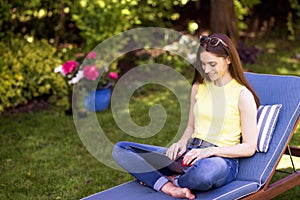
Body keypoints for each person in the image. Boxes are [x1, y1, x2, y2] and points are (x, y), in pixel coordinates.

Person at [112, 33, 260, 199]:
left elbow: (249, 147)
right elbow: (191, 126)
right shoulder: (198, 87)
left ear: (228, 59)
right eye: (203, 64)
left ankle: (173, 181)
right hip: (189, 155)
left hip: (220, 160)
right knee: (121, 149)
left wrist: (209, 152)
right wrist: (181, 143)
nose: (206, 70)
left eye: (212, 64)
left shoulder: (242, 95)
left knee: (205, 173)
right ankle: (169, 186)